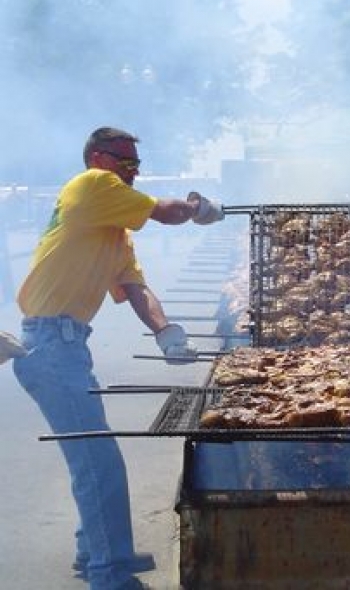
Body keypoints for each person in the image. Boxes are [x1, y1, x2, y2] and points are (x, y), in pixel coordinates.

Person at [11, 126, 224, 590]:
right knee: (97, 460)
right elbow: (166, 213)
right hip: (50, 345)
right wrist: (195, 206)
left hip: (68, 344)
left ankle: (99, 553)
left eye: (137, 165)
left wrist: (166, 332)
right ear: (98, 158)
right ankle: (109, 575)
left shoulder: (115, 230)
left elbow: (135, 289)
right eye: (125, 163)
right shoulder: (90, 186)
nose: (133, 172)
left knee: (94, 455)